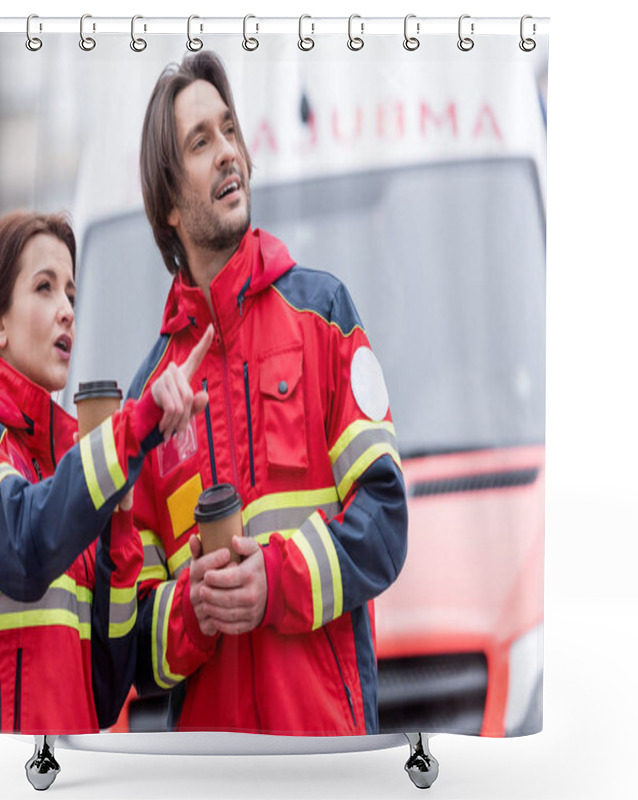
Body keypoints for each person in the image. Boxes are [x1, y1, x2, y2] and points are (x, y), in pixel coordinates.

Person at [129, 51, 408, 736]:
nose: (228, 153)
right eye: (201, 143)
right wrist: (191, 610)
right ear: (167, 204)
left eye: (229, 131)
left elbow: (386, 520)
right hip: (210, 771)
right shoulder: (149, 404)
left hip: (327, 757)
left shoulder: (326, 315)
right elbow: (125, 645)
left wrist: (276, 579)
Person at [0, 210, 213, 733]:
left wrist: (127, 531)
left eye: (72, 296)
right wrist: (133, 429)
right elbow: (24, 544)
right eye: (44, 288)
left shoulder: (73, 463)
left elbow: (106, 690)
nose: (66, 311)